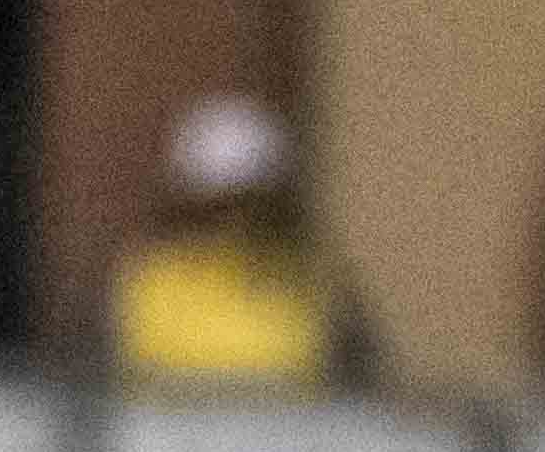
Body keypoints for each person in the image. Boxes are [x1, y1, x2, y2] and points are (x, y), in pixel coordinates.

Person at [104, 96, 372, 390]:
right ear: (186, 204)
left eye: (251, 205)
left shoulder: (311, 282)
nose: (236, 222)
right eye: (219, 206)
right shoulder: (150, 282)